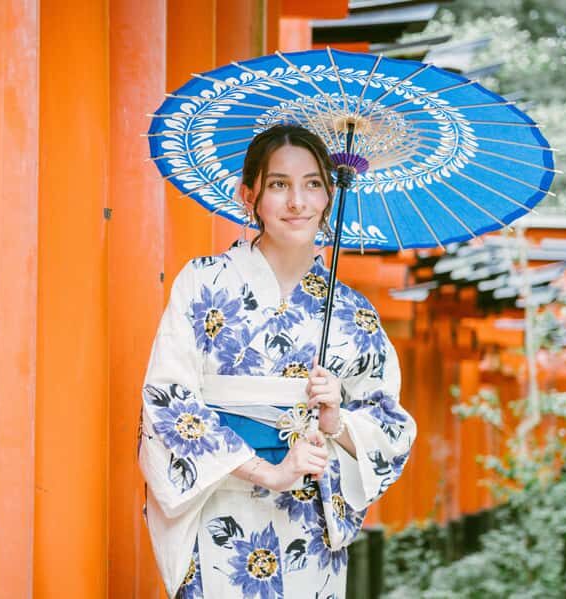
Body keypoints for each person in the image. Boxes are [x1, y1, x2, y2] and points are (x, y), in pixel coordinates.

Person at [139, 124, 416, 598]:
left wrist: (336, 421)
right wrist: (268, 473)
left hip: (308, 519)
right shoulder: (203, 282)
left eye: (313, 184)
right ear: (248, 195)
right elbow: (167, 398)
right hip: (220, 501)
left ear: (329, 197)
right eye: (279, 184)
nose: (297, 202)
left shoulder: (351, 313)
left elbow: (391, 427)